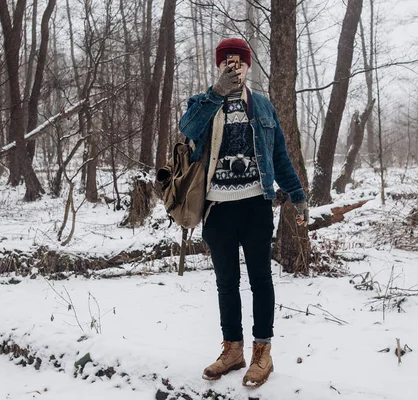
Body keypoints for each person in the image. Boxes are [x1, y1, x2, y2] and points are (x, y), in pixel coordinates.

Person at [178, 38, 309, 388]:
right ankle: (232, 349)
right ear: (219, 66)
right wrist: (216, 93)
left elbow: (279, 155)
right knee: (226, 283)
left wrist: (297, 195)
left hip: (255, 205)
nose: (232, 68)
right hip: (218, 208)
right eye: (226, 63)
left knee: (260, 279)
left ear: (248, 66)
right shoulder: (204, 103)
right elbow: (187, 129)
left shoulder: (263, 107)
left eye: (238, 63)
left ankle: (262, 354)